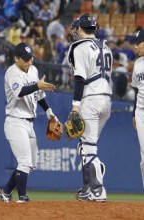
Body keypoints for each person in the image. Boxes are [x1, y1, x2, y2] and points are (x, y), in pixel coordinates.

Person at [0, 42, 57, 202]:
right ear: (16, 59)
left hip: (29, 123)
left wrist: (49, 112)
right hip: (15, 121)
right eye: (25, 59)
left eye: (30, 58)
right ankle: (23, 197)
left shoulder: (33, 70)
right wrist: (37, 85)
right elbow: (20, 92)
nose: (29, 61)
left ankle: (6, 192)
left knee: (31, 164)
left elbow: (39, 95)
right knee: (24, 161)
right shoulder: (12, 73)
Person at [66, 13, 113, 201]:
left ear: (79, 28)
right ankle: (88, 187)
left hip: (90, 100)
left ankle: (98, 190)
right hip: (106, 100)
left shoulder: (79, 47)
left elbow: (79, 79)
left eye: (76, 27)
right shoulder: (106, 46)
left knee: (88, 148)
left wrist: (75, 107)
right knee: (87, 146)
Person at [130, 29, 144, 189]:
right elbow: (135, 89)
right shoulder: (138, 63)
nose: (135, 47)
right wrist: (134, 112)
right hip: (140, 112)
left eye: (138, 43)